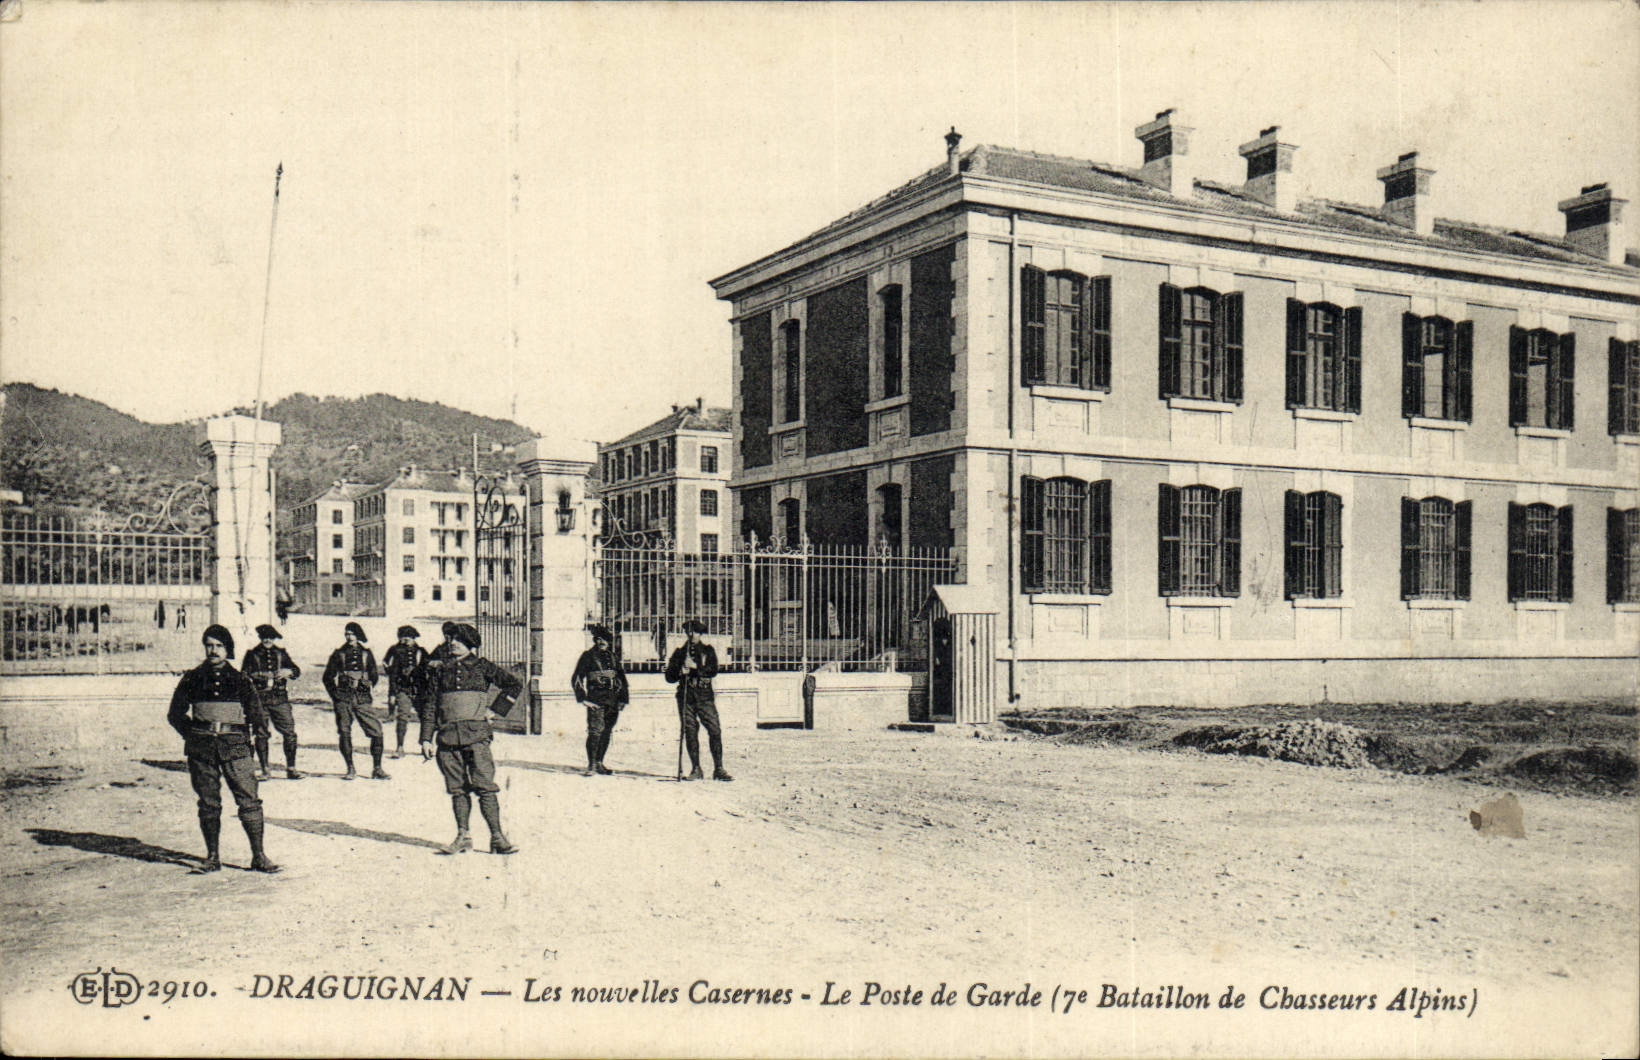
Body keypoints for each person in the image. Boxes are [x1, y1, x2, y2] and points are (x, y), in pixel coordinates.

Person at [166, 624, 280, 873]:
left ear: (228, 650)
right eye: (209, 645)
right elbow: (175, 714)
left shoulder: (240, 680)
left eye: (219, 646)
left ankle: (259, 856)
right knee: (208, 803)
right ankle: (212, 857)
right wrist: (194, 735)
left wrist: (250, 745)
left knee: (249, 801)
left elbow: (257, 717)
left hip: (235, 747)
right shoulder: (192, 678)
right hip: (202, 749)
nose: (213, 651)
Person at [418, 623, 523, 855]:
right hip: (447, 738)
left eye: (459, 640)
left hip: (477, 737)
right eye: (451, 639)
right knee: (457, 789)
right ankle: (463, 836)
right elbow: (431, 705)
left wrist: (495, 710)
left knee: (485, 787)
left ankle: (497, 837)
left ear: (470, 644)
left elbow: (514, 684)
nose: (453, 643)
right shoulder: (440, 670)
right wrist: (426, 738)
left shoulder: (482, 666)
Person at [664, 619, 732, 781]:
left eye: (695, 632)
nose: (691, 634)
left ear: (700, 634)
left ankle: (719, 769)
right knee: (690, 732)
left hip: (704, 696)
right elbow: (669, 677)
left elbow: (713, 670)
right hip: (686, 697)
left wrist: (696, 667)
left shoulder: (708, 650)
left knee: (715, 730)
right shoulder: (679, 653)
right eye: (688, 631)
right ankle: (696, 769)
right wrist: (680, 671)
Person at [322, 621, 385, 780]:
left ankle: (377, 768)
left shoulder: (366, 654)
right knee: (344, 732)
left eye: (352, 634)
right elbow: (327, 677)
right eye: (347, 634)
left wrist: (368, 683)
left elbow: (374, 675)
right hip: (344, 698)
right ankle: (350, 768)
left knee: (377, 731)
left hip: (362, 698)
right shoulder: (339, 653)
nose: (349, 637)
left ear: (358, 636)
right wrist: (335, 695)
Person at [242, 624, 304, 780]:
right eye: (264, 637)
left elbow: (296, 671)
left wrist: (288, 671)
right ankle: (265, 770)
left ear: (274, 638)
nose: (267, 640)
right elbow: (243, 675)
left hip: (280, 699)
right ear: (260, 638)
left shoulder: (281, 653)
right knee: (261, 734)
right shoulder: (252, 654)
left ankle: (291, 768)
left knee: (290, 733)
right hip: (259, 700)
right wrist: (260, 675)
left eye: (270, 637)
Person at [571, 624, 629, 776]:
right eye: (598, 639)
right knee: (595, 731)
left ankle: (599, 763)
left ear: (609, 641)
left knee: (606, 731)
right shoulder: (588, 656)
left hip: (613, 700)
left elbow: (622, 678)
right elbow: (577, 678)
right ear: (595, 640)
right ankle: (591, 765)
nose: (601, 642)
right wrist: (582, 698)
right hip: (595, 700)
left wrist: (623, 699)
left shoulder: (613, 657)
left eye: (604, 639)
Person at [381, 625, 429, 760]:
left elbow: (429, 669)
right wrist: (392, 692)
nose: (406, 640)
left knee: (425, 716)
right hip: (403, 688)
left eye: (409, 637)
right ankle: (400, 747)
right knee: (402, 717)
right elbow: (389, 669)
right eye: (403, 637)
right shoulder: (396, 651)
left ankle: (425, 745)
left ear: (414, 638)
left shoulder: (421, 651)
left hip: (420, 690)